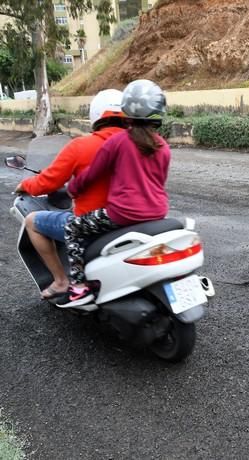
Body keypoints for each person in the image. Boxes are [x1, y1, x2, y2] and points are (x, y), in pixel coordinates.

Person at [56, 80, 171, 308]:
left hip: (122, 214)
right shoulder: (163, 147)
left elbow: (92, 174)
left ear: (126, 109)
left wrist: (72, 189)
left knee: (72, 228)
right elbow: (159, 181)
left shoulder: (119, 142)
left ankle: (79, 288)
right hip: (158, 213)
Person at [13, 89, 126, 299]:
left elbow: (47, 182)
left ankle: (61, 281)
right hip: (134, 218)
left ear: (96, 116)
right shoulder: (139, 145)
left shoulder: (81, 146)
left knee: (32, 222)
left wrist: (25, 185)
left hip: (94, 221)